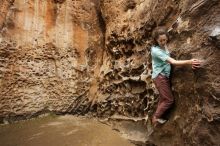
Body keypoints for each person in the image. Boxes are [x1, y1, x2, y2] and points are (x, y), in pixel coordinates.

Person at [151, 27, 202, 126]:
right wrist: (190, 61)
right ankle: (155, 118)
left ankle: (158, 117)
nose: (163, 42)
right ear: (156, 40)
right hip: (160, 77)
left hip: (162, 76)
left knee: (163, 99)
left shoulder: (163, 45)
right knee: (169, 100)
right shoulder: (156, 51)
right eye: (160, 40)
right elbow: (173, 62)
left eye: (165, 40)